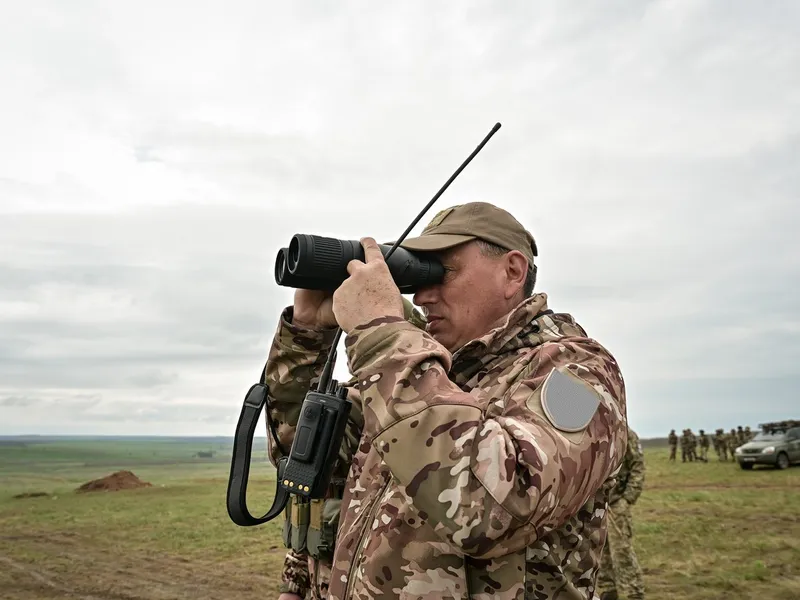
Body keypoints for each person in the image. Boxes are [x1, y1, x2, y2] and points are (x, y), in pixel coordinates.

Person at [266, 202, 629, 600]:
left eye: (442, 273)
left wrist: (382, 336)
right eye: (416, 276)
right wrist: (306, 337)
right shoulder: (421, 371)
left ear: (512, 272)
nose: (421, 296)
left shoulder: (579, 375)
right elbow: (305, 455)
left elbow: (492, 511)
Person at [597, 427, 646, 600]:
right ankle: (608, 589)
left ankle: (634, 592)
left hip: (617, 503)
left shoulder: (626, 434)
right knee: (600, 551)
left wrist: (627, 499)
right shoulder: (590, 431)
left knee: (621, 550)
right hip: (595, 504)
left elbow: (637, 468)